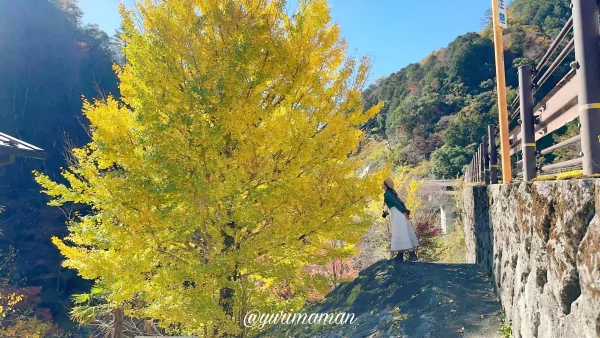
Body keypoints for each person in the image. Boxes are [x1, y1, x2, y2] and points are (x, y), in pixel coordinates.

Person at [382, 177, 419, 262]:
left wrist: (403, 211)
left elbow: (395, 204)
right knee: (400, 232)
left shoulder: (387, 194)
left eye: (383, 183)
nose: (381, 184)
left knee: (401, 233)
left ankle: (412, 254)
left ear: (386, 185)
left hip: (397, 214)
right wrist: (404, 211)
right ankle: (400, 254)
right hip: (399, 214)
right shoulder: (391, 193)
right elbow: (401, 203)